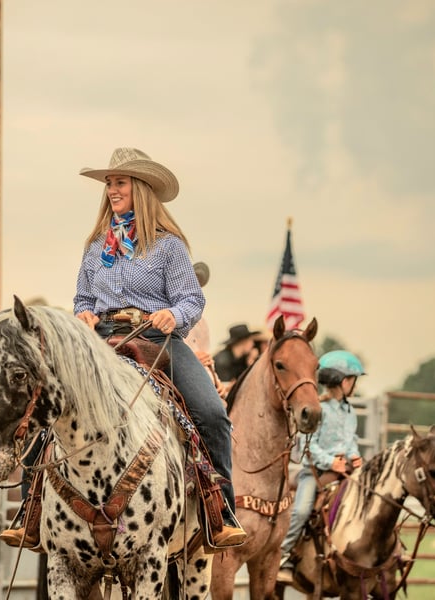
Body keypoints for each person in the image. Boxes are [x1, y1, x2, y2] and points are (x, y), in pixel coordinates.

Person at [73, 147, 246, 548]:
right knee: (49, 398)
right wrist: (83, 314)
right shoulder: (95, 246)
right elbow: (83, 298)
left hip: (155, 338)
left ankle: (221, 512)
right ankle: (31, 510)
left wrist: (173, 314)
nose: (112, 190)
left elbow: (191, 299)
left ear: (141, 188)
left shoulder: (169, 246)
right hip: (101, 339)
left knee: (212, 414)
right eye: (109, 183)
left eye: (120, 182)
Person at [278, 350, 366, 582]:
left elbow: (351, 440)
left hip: (345, 470)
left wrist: (355, 456)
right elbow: (309, 444)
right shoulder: (319, 409)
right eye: (353, 380)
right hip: (315, 471)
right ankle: (284, 555)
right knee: (302, 510)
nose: (354, 385)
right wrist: (330, 462)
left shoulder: (350, 411)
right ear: (343, 381)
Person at [184, 262, 228, 401]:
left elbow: (206, 356)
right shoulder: (166, 315)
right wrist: (190, 359)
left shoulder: (201, 322)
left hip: (203, 380)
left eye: (198, 285)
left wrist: (217, 381)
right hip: (184, 377)